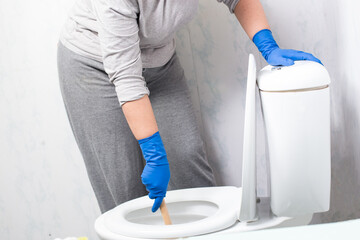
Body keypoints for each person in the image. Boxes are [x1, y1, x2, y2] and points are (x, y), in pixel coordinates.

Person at [56, 0, 322, 214]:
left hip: (159, 63)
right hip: (94, 68)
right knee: (125, 191)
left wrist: (268, 46)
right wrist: (154, 153)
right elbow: (127, 78)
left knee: (188, 162)